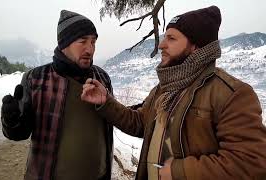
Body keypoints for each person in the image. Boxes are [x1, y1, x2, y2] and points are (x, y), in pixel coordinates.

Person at [81, 6, 266, 180]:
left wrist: (180, 172)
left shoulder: (231, 94)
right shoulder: (165, 88)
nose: (161, 45)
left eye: (171, 38)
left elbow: (251, 162)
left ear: (196, 46)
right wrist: (106, 102)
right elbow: (140, 124)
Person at [1, 10, 113, 180]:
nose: (90, 49)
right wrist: (11, 120)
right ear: (64, 44)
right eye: (82, 41)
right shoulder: (36, 79)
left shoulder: (102, 78)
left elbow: (113, 119)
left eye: (93, 42)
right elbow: (19, 134)